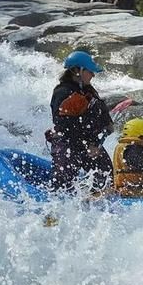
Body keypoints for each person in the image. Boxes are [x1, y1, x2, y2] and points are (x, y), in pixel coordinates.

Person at [47, 51, 114, 192]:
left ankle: (100, 200)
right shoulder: (63, 92)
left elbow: (99, 107)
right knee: (63, 184)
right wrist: (89, 144)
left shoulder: (87, 90)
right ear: (77, 71)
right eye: (90, 71)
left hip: (90, 143)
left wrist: (108, 123)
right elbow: (66, 125)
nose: (93, 75)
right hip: (68, 143)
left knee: (106, 174)